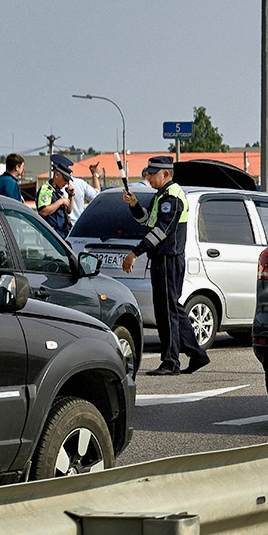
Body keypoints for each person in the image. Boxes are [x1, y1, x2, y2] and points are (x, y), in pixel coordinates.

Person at [121, 156, 207, 376]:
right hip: (163, 259)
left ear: (166, 174)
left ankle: (170, 362)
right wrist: (134, 205)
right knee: (171, 309)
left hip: (169, 259)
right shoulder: (161, 196)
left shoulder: (172, 197)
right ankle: (196, 354)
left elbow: (161, 231)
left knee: (167, 312)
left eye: (152, 173)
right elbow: (147, 220)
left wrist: (134, 253)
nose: (148, 177)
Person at [50, 154, 101, 227]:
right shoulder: (79, 183)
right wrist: (95, 175)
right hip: (77, 228)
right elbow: (96, 196)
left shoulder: (50, 187)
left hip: (59, 230)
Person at [35, 160, 74, 238]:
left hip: (62, 233)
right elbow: (43, 211)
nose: (67, 183)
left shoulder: (57, 191)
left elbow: (69, 211)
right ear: (57, 175)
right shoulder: (46, 189)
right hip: (52, 234)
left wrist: (71, 196)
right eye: (65, 179)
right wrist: (60, 202)